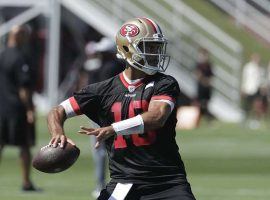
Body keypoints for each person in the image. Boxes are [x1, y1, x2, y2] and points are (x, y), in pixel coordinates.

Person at [47, 17, 196, 200]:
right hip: (124, 183)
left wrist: (113, 129)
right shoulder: (102, 90)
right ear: (127, 49)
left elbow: (157, 117)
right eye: (149, 47)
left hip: (168, 182)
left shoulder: (164, 83)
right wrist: (57, 132)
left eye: (157, 47)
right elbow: (57, 111)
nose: (155, 53)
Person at [84, 37, 125, 198]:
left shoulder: (107, 68)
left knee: (100, 151)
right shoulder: (120, 67)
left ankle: (101, 185)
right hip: (118, 113)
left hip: (102, 114)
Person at [0, 25, 37, 191]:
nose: (26, 38)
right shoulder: (20, 57)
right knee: (24, 145)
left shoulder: (2, 55)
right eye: (24, 35)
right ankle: (26, 182)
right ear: (18, 36)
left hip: (1, 108)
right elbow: (24, 88)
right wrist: (29, 109)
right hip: (17, 108)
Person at [241, 53, 263, 128]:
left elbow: (260, 79)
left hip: (257, 89)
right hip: (249, 89)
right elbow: (245, 78)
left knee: (257, 105)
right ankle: (245, 120)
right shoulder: (248, 67)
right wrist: (243, 88)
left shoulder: (259, 68)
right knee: (247, 106)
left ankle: (256, 121)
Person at [194, 47, 213, 120]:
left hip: (207, 87)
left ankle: (206, 118)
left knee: (206, 103)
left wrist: (208, 81)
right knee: (199, 103)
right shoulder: (199, 65)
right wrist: (204, 80)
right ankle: (197, 118)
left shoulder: (209, 65)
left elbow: (211, 76)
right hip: (201, 86)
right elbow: (197, 75)